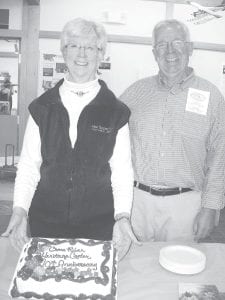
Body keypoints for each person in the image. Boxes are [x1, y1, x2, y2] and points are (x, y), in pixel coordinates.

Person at [2, 18, 138, 259]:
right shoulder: (42, 107)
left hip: (98, 224)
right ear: (64, 51)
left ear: (101, 54)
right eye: (74, 45)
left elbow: (122, 172)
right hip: (46, 222)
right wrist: (20, 210)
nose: (82, 53)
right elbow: (28, 166)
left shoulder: (116, 111)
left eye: (91, 47)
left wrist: (122, 216)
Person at [120, 19, 225, 242]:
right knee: (135, 270)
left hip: (185, 206)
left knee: (180, 273)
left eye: (177, 42)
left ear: (190, 47)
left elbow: (220, 156)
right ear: (153, 52)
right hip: (137, 204)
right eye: (162, 45)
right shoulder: (134, 93)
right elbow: (109, 136)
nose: (170, 51)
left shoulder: (212, 97)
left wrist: (211, 207)